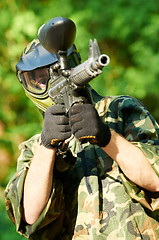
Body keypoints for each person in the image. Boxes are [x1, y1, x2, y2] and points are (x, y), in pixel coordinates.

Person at [4, 37, 159, 240]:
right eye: (38, 80)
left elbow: (155, 179)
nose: (48, 82)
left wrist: (106, 136)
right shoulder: (35, 149)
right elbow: (30, 214)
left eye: (55, 73)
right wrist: (47, 146)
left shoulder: (119, 111)